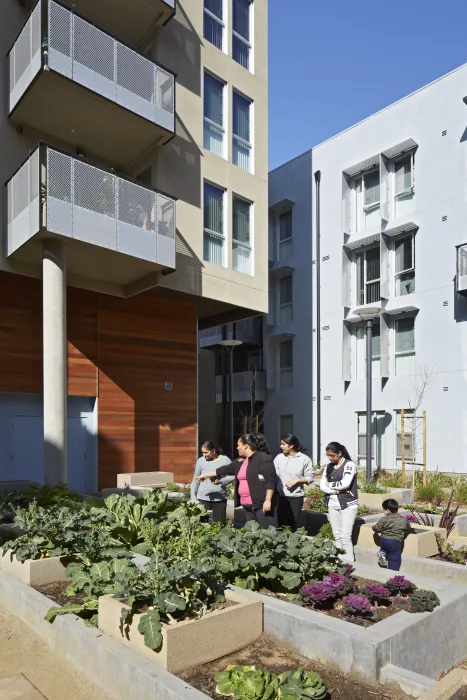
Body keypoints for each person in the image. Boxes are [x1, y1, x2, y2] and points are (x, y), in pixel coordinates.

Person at [197, 432, 278, 528]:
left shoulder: (262, 458)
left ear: (246, 446)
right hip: (247, 505)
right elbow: (224, 469)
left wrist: (268, 500)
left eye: (238, 445)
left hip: (261, 505)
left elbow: (271, 480)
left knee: (267, 532)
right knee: (252, 533)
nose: (237, 448)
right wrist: (205, 475)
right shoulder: (241, 461)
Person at [319, 441, 358, 562]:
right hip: (332, 504)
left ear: (339, 453)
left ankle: (349, 563)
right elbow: (322, 486)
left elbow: (345, 484)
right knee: (336, 535)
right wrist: (336, 491)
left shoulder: (349, 465)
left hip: (348, 504)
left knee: (345, 536)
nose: (330, 458)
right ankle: (339, 562)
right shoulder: (328, 467)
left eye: (332, 455)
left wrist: (329, 485)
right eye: (328, 455)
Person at [274, 434, 314, 531]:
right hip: (281, 496)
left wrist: (297, 480)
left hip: (296, 497)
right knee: (281, 522)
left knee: (293, 522)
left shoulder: (304, 459)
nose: (281, 446)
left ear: (291, 446)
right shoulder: (279, 458)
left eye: (283, 444)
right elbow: (273, 475)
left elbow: (310, 477)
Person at [190, 441, 233, 524]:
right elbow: (195, 480)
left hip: (219, 498)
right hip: (202, 498)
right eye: (202, 452)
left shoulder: (225, 460)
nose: (204, 455)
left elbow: (233, 475)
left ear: (213, 451)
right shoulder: (201, 461)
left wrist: (221, 481)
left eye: (206, 452)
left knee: (220, 525)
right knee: (202, 525)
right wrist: (193, 497)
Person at [372, 498, 415, 571]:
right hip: (395, 542)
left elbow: (377, 528)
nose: (383, 511)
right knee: (394, 558)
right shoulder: (403, 519)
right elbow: (408, 528)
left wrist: (373, 528)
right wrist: (406, 533)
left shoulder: (384, 519)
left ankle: (382, 553)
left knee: (385, 549)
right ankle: (392, 573)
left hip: (383, 540)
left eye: (384, 509)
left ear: (388, 510)